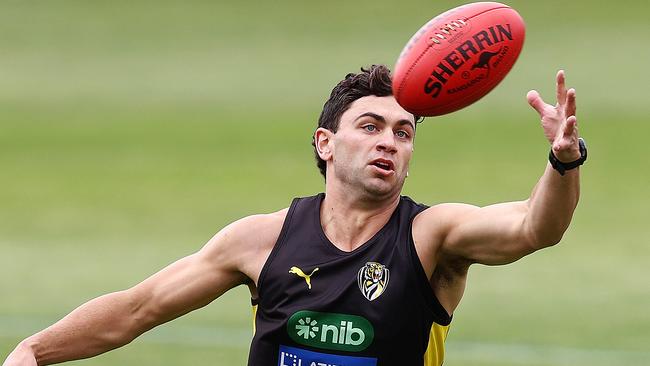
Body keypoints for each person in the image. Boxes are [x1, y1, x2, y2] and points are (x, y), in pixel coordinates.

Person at [3, 64, 585, 366]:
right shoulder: (261, 240)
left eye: (404, 133)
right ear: (325, 143)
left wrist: (563, 162)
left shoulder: (432, 236)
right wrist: (35, 350)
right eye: (370, 126)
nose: (390, 142)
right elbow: (138, 308)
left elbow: (535, 227)